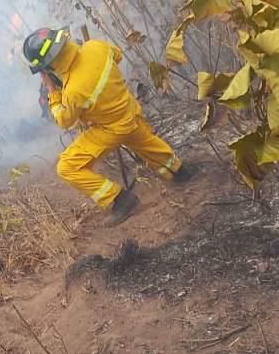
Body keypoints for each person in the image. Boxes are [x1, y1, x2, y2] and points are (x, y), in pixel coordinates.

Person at [23, 26, 197, 225]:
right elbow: (117, 55)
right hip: (129, 112)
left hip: (110, 129)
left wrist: (52, 91)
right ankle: (181, 171)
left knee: (67, 167)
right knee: (148, 144)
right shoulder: (95, 46)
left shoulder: (73, 91)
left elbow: (64, 120)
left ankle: (120, 200)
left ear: (50, 63)